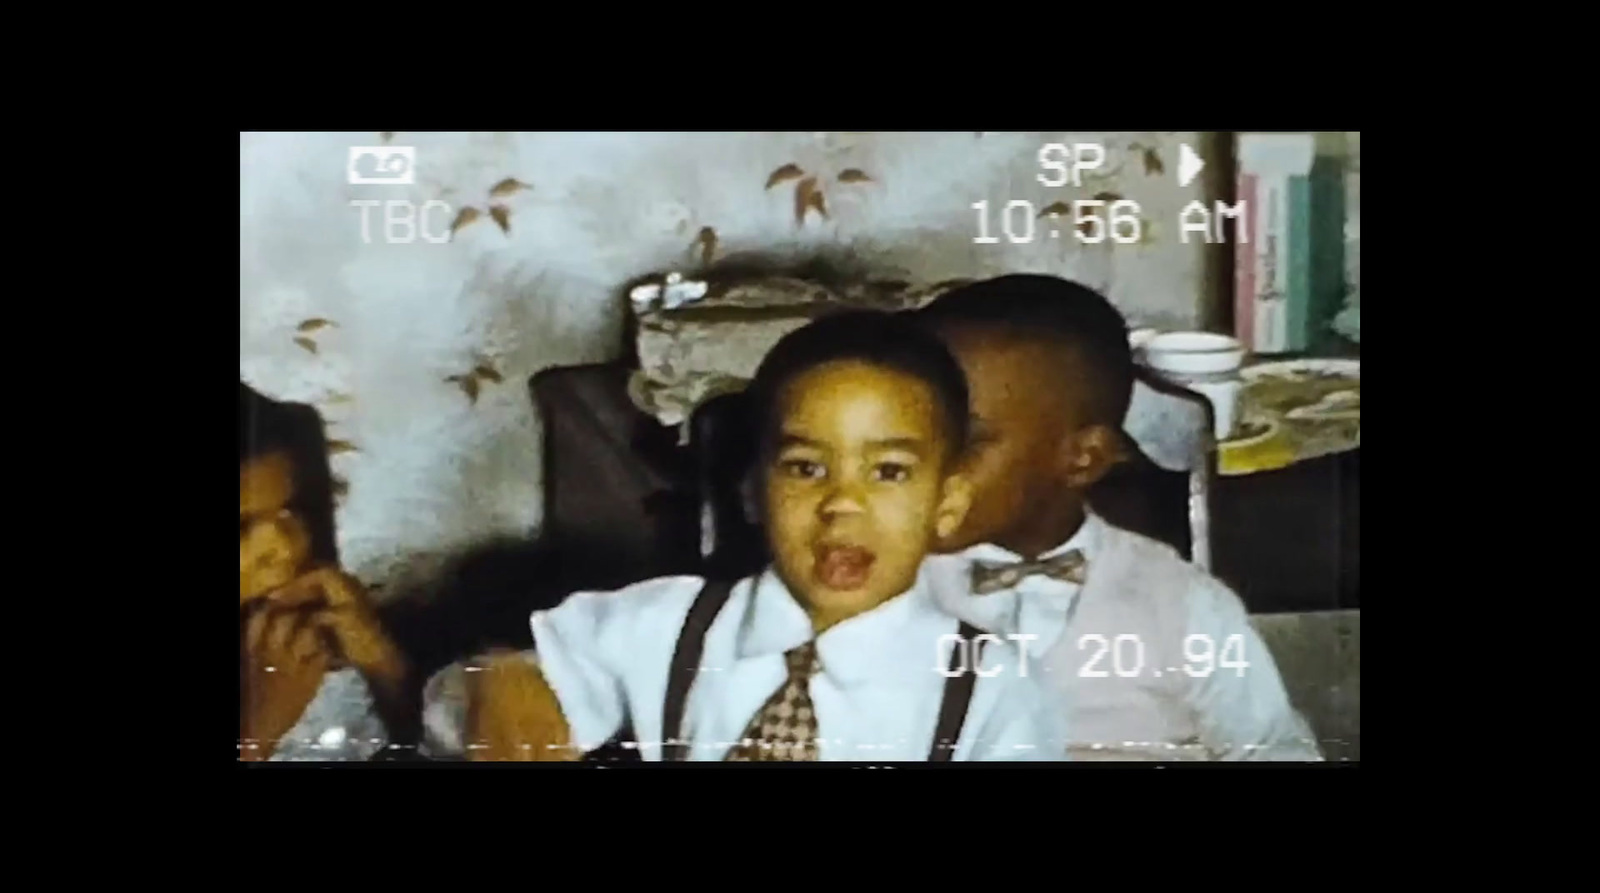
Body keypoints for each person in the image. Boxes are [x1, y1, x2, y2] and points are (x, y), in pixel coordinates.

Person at [424, 311, 1061, 761]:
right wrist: (496, 677)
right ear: (752, 492)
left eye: (888, 472)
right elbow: (448, 716)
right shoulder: (664, 624)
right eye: (806, 467)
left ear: (947, 502)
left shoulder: (989, 688)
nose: (842, 503)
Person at [912, 275, 1321, 761]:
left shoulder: (1183, 604)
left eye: (967, 440)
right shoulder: (882, 585)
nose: (923, 463)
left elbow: (1275, 750)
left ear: (1082, 458)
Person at [239, 383, 409, 761]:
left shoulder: (292, 642)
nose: (282, 548)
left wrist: (382, 664)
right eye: (242, 529)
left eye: (290, 510)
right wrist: (255, 732)